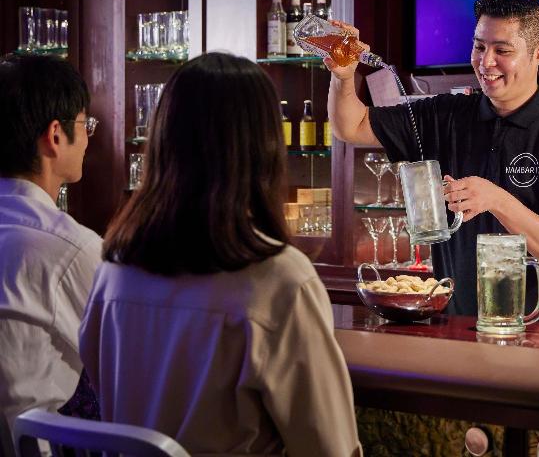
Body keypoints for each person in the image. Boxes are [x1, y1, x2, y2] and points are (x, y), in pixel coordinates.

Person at [79, 53, 362, 456]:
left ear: (162, 141)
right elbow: (330, 448)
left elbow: (98, 386)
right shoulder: (280, 280)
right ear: (264, 147)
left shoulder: (115, 268)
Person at [326, 0, 539, 324]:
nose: (486, 62)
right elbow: (351, 126)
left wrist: (497, 200)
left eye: (502, 51)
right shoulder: (446, 115)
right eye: (479, 46)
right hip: (459, 328)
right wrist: (343, 77)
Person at [0, 53, 102, 436]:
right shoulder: (70, 250)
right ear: (55, 135)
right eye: (85, 123)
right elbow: (131, 361)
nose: (88, 137)